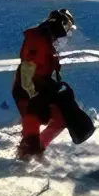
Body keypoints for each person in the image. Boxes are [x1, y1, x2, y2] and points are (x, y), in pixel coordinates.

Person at [14, 8, 76, 161]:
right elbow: (28, 67)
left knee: (61, 119)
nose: (67, 34)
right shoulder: (38, 39)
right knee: (32, 126)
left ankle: (37, 150)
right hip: (28, 89)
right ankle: (28, 153)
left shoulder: (48, 39)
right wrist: (31, 92)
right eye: (67, 28)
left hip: (42, 88)